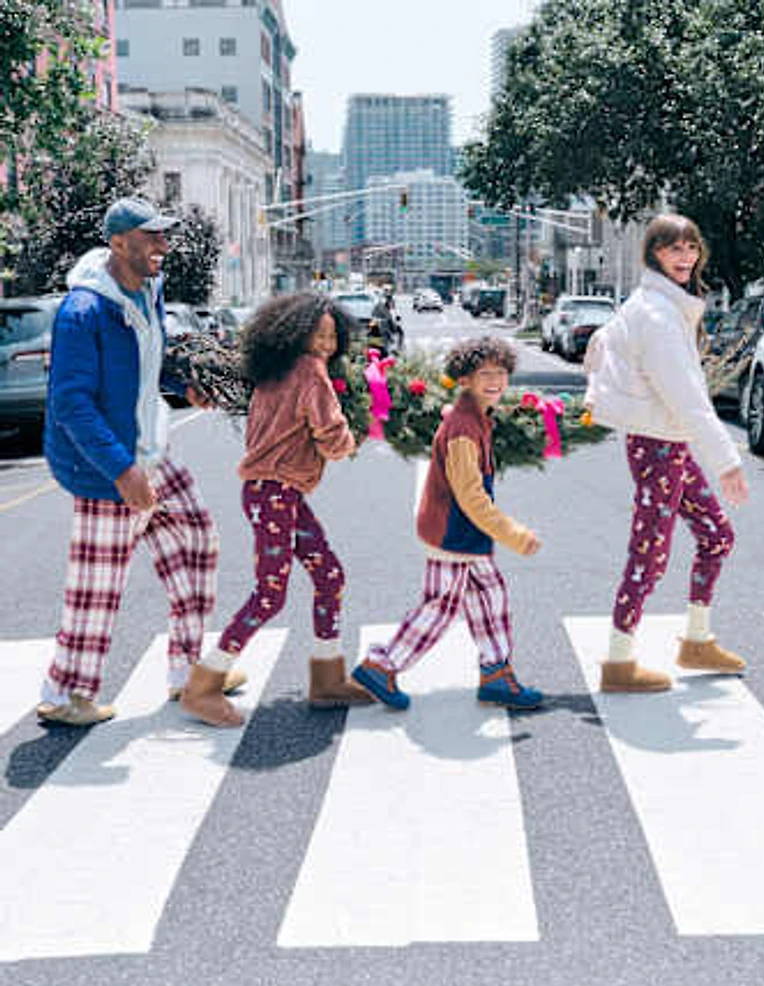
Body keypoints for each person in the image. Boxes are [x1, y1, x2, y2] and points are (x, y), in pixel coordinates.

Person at [37, 196, 244, 726]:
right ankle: (65, 696)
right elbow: (70, 404)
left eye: (164, 235)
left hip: (148, 447)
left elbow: (151, 360)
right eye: (151, 237)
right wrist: (121, 471)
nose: (163, 246)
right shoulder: (84, 312)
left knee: (197, 540)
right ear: (119, 243)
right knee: (98, 583)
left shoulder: (147, 289)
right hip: (105, 461)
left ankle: (187, 669)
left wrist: (184, 386)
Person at [180, 292, 373, 726]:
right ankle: (203, 685)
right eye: (317, 334)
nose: (325, 344)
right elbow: (329, 432)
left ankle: (327, 678)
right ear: (295, 334)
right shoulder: (310, 372)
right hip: (274, 493)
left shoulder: (274, 370)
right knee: (270, 595)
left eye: (331, 336)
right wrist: (352, 439)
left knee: (329, 575)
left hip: (275, 492)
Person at [584, 213, 749, 693]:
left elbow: (603, 347)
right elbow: (687, 398)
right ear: (654, 253)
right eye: (673, 248)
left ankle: (696, 640)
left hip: (667, 443)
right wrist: (728, 463)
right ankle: (619, 662)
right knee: (648, 555)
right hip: (658, 446)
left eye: (691, 247)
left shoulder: (661, 306)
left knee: (716, 534)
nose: (685, 256)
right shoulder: (656, 314)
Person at [350, 336, 545, 711]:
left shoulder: (476, 418)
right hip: (452, 532)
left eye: (501, 373)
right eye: (484, 374)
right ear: (465, 380)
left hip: (464, 532)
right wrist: (515, 535)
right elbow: (471, 496)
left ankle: (496, 672)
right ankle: (382, 665)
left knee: (491, 595)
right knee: (440, 607)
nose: (495, 381)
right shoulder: (462, 428)